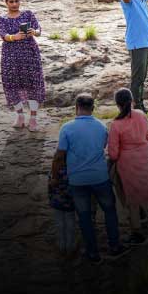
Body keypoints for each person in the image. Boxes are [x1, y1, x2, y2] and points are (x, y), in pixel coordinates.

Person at [52, 93, 128, 264]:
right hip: (100, 177)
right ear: (93, 109)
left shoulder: (67, 128)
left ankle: (92, 253)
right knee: (109, 211)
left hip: (77, 180)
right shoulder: (101, 127)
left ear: (76, 108)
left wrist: (55, 177)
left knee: (84, 217)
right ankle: (115, 246)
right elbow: (102, 147)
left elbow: (59, 156)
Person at [108, 88, 148, 246]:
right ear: (132, 101)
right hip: (144, 155)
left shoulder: (116, 124)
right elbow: (146, 137)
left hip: (127, 162)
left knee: (130, 195)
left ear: (117, 105)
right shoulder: (141, 114)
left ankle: (137, 232)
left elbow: (113, 154)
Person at [0, 0, 45, 131]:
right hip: (10, 56)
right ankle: (20, 116)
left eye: (17, 1)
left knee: (32, 84)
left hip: (30, 54)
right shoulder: (2, 19)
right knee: (12, 84)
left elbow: (39, 30)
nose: (14, 4)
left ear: (20, 1)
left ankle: (33, 119)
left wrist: (33, 32)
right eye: (11, 2)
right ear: (6, 2)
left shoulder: (28, 14)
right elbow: (3, 35)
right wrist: (14, 37)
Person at [48, 157, 76, 258]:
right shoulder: (72, 170)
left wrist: (51, 200)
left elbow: (50, 188)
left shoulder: (53, 172)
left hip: (57, 203)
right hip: (70, 203)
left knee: (59, 224)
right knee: (71, 224)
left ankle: (61, 246)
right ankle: (70, 247)